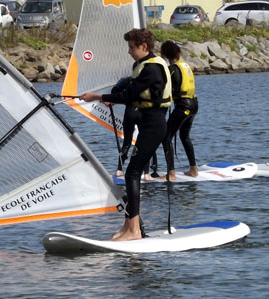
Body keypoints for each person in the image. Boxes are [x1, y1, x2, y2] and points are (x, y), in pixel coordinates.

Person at [80, 28, 171, 242]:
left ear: (144, 47)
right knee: (131, 172)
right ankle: (129, 225)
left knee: (132, 173)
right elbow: (129, 91)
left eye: (132, 47)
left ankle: (134, 230)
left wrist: (97, 96)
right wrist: (111, 95)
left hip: (154, 125)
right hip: (148, 123)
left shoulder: (153, 69)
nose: (129, 51)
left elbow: (130, 95)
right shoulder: (142, 66)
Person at [159, 40, 199, 180]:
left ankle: (171, 173)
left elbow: (163, 88)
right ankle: (193, 169)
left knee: (166, 137)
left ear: (165, 56)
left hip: (183, 106)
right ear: (178, 53)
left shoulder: (172, 69)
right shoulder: (185, 65)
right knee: (184, 136)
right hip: (194, 104)